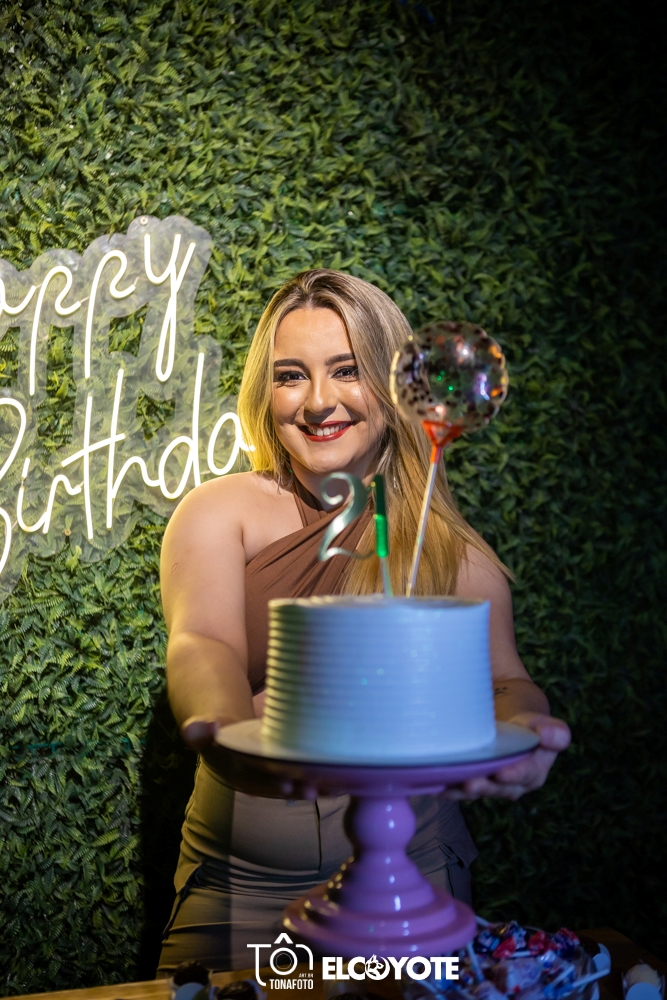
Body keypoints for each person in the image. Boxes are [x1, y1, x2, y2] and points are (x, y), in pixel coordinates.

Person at [157, 269, 571, 973]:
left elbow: (504, 681)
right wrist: (225, 731)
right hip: (239, 882)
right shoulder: (219, 512)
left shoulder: (452, 549)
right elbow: (204, 641)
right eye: (291, 375)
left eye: (346, 370)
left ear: (396, 384)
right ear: (265, 394)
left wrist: (529, 729)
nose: (319, 401)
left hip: (414, 877)